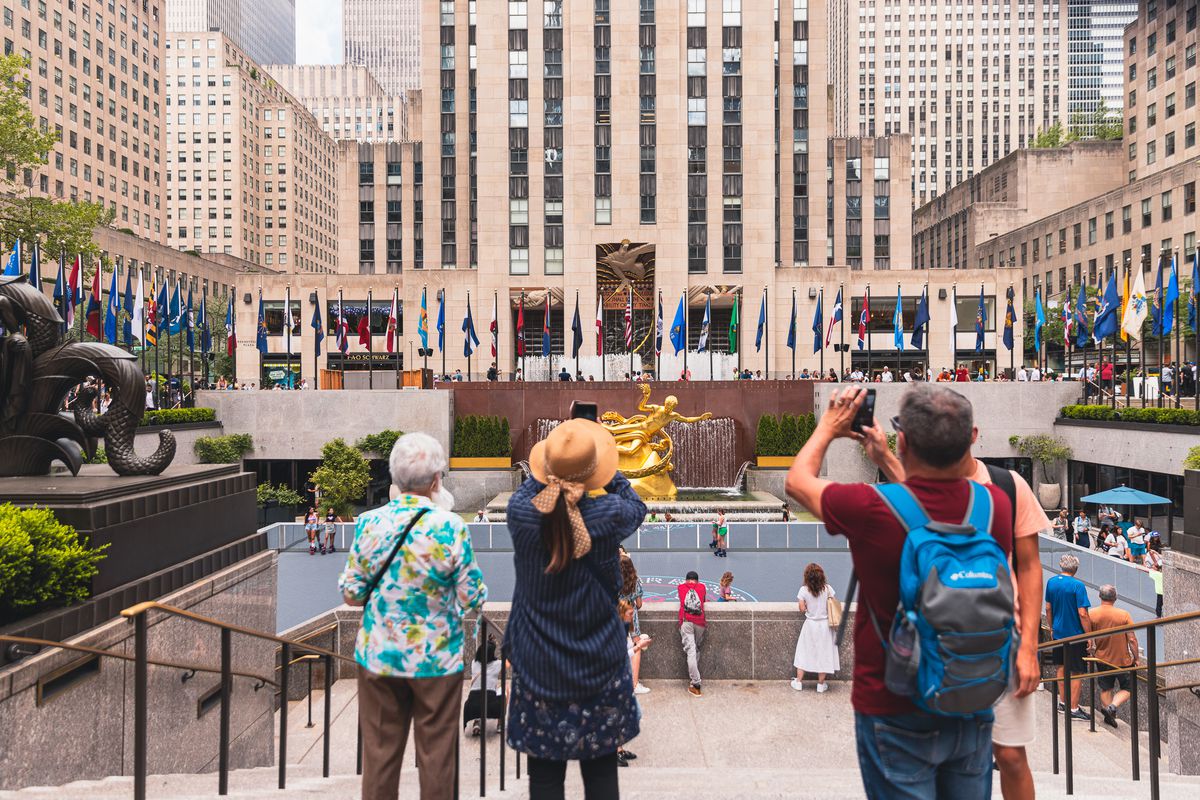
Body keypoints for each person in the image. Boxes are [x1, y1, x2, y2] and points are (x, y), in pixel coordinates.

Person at [784, 385, 1016, 799]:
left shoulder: (872, 507)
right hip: (971, 700)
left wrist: (827, 428)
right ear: (970, 440)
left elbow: (798, 482)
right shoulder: (995, 506)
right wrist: (888, 459)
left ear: (904, 439)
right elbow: (936, 510)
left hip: (893, 707)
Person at [860, 403, 1047, 800]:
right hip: (936, 643)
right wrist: (884, 456)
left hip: (999, 640)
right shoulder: (920, 485)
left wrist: (1029, 647)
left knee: (1011, 755)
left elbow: (1030, 567)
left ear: (973, 436)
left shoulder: (1007, 486)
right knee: (945, 750)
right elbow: (915, 502)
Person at [338, 432, 486, 800]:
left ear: (395, 479)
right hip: (436, 660)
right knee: (438, 760)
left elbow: (352, 594)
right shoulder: (450, 527)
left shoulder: (370, 524)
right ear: (436, 481)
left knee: (380, 758)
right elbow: (472, 599)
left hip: (379, 658)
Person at [504, 418, 646, 799]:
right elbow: (638, 505)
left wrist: (556, 456)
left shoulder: (521, 512)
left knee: (545, 778)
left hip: (538, 665)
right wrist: (606, 469)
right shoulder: (609, 515)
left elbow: (535, 489)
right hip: (597, 663)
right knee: (601, 775)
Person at [1044, 554, 1092, 721]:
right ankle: (1073, 708)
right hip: (1075, 635)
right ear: (1076, 569)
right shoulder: (1078, 586)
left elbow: (1048, 608)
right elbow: (1083, 613)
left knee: (1061, 667)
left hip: (1058, 633)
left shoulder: (1051, 582)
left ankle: (1063, 703)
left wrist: (1052, 628)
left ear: (1061, 566)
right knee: (1077, 671)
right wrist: (1090, 636)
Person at [1088, 585, 1138, 729]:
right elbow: (1132, 639)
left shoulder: (1092, 614)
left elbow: (1088, 637)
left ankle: (1108, 715)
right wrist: (1136, 658)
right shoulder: (1124, 615)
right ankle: (1112, 707)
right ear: (1115, 598)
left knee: (1106, 688)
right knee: (1129, 688)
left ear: (1099, 596)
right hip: (1122, 659)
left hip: (1101, 657)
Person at [791, 562, 839, 693]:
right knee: (824, 653)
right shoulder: (828, 589)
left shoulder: (803, 590)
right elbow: (832, 604)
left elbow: (802, 608)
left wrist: (808, 604)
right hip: (825, 626)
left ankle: (799, 682)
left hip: (810, 625)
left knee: (803, 652)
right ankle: (820, 684)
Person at [618, 600, 650, 767]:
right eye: (630, 614)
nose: (632, 617)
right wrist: (639, 647)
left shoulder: (625, 630)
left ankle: (618, 749)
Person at [618, 553, 650, 695]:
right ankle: (634, 684)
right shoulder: (635, 581)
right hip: (632, 619)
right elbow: (639, 604)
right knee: (637, 646)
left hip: (617, 616)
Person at [463, 635, 504, 737]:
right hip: (490, 705)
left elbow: (485, 651)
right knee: (504, 689)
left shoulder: (474, 663)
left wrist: (489, 643)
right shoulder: (498, 664)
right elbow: (508, 662)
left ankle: (477, 723)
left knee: (479, 695)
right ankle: (500, 724)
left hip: (472, 705)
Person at [678, 570, 707, 697]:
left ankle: (696, 684)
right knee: (696, 650)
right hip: (700, 623)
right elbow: (703, 600)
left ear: (686, 580)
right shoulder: (702, 587)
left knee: (691, 651)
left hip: (686, 622)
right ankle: (694, 680)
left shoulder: (680, 587)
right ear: (697, 581)